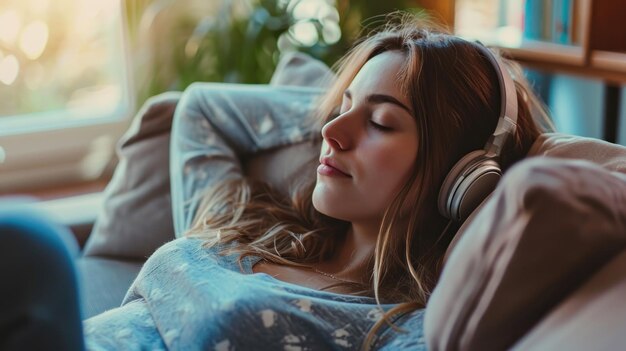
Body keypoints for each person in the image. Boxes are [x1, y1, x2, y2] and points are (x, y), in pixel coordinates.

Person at [2, 12, 552, 350]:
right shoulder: (247, 223)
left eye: (382, 122)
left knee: (30, 246)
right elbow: (203, 110)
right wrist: (338, 104)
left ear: (461, 174)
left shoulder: (403, 328)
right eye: (342, 108)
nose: (331, 133)